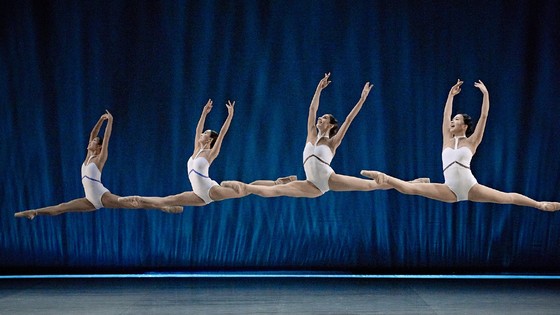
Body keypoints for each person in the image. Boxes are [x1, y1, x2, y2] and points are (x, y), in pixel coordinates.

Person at [361, 79, 560, 211]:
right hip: (449, 189)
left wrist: (485, 94)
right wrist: (450, 96)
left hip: (470, 185)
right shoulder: (447, 139)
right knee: (410, 189)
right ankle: (384, 176)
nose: (452, 122)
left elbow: (484, 116)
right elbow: (445, 116)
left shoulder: (472, 141)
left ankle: (539, 204)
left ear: (464, 125)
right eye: (452, 120)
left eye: (456, 120)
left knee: (507, 197)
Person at [222, 73, 428, 198]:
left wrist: (362, 99)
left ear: (330, 125)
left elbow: (348, 120)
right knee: (278, 190)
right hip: (312, 184)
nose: (319, 119)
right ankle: (244, 187)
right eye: (320, 118)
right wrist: (318, 89)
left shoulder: (332, 142)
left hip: (329, 179)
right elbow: (311, 110)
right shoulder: (311, 134)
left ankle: (413, 183)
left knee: (370, 185)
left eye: (324, 118)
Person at [118, 100, 295, 208]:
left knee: (247, 189)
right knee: (169, 200)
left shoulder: (210, 152)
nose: (202, 135)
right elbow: (197, 130)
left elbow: (223, 133)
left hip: (211, 190)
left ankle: (278, 182)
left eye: (205, 134)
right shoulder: (196, 149)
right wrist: (204, 113)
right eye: (203, 133)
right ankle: (138, 200)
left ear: (210, 140)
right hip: (197, 194)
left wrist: (230, 115)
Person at [14, 111, 183, 220]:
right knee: (61, 208)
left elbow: (106, 137)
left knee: (133, 203)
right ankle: (34, 212)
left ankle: (164, 206)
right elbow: (93, 133)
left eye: (94, 142)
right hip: (90, 200)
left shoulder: (100, 158)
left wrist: (110, 121)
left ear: (99, 147)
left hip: (102, 196)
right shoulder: (88, 155)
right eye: (92, 141)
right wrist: (100, 120)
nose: (90, 142)